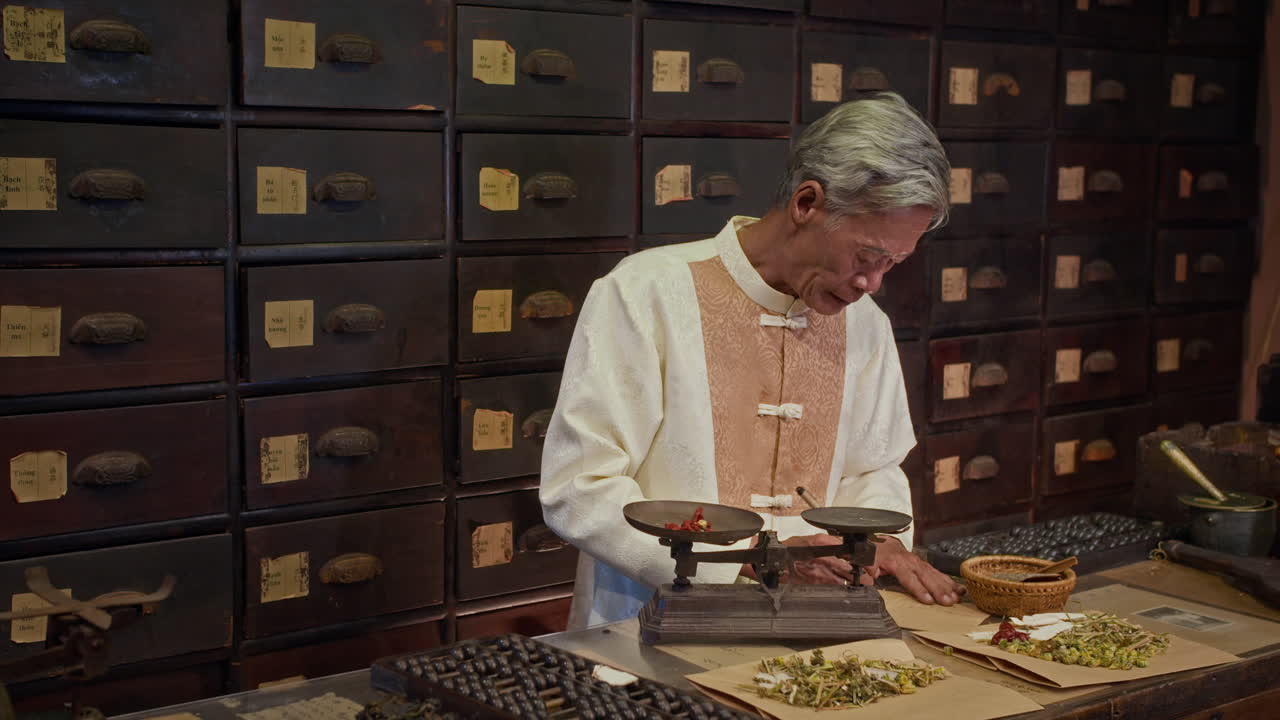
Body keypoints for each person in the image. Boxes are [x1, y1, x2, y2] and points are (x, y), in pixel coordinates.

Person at [540, 92, 963, 631]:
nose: (871, 283)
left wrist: (876, 543)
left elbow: (873, 467)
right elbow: (580, 486)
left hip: (820, 626)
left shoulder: (866, 324)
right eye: (865, 256)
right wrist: (750, 559)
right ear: (807, 203)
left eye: (892, 264)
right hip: (653, 624)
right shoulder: (647, 292)